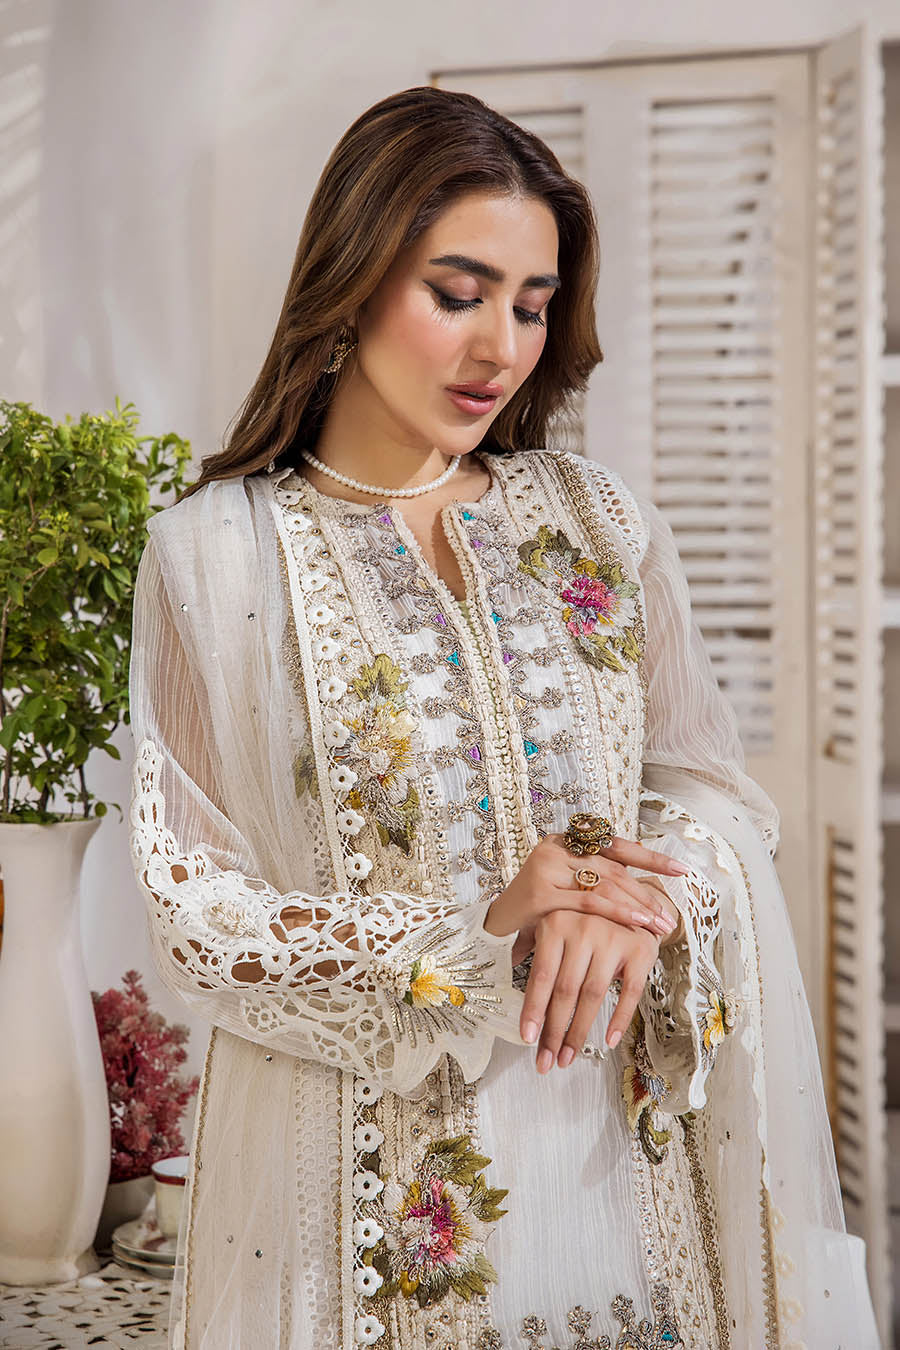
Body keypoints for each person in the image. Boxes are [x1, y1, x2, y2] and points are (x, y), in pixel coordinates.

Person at [127, 86, 879, 1350]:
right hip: (342, 1204)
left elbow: (710, 793)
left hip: (621, 1181)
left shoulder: (598, 523)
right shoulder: (216, 557)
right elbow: (195, 912)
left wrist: (624, 899)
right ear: (351, 282)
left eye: (531, 306)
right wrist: (478, 941)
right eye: (458, 294)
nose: (501, 349)